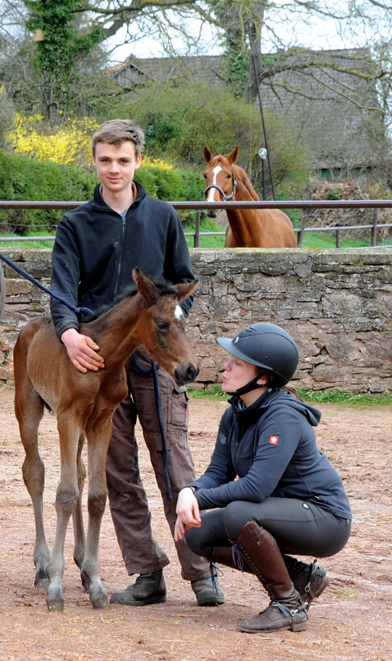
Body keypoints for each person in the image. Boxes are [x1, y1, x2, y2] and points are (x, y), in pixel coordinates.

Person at [49, 119, 224, 607]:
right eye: (105, 160)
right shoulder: (75, 224)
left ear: (137, 162)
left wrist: (170, 318)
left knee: (174, 463)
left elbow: (183, 279)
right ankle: (145, 571)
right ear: (95, 161)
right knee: (117, 469)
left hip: (154, 359)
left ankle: (201, 569)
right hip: (99, 364)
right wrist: (68, 335)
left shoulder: (163, 217)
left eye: (123, 160)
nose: (114, 169)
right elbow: (62, 293)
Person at [174, 323, 352, 633]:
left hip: (325, 518)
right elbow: (218, 473)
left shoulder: (283, 415)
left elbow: (256, 487)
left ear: (264, 377)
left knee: (239, 514)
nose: (225, 367)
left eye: (237, 363)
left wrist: (197, 498)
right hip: (282, 510)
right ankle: (300, 577)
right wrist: (189, 490)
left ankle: (288, 604)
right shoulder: (235, 413)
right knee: (197, 536)